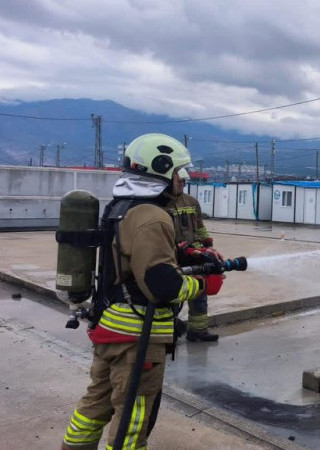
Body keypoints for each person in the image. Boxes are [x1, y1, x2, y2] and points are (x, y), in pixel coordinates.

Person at [61, 133, 221, 450]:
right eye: (180, 172)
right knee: (134, 418)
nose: (184, 179)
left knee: (96, 403)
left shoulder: (121, 206)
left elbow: (130, 257)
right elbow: (163, 285)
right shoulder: (152, 215)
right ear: (160, 170)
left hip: (111, 325)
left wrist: (186, 253)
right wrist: (203, 283)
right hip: (138, 337)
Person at [166, 168, 224, 342]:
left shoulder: (191, 202)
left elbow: (200, 227)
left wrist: (209, 248)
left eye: (184, 182)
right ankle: (169, 332)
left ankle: (198, 331)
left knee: (200, 291)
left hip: (195, 254)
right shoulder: (161, 205)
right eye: (179, 181)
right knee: (172, 295)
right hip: (172, 255)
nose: (182, 185)